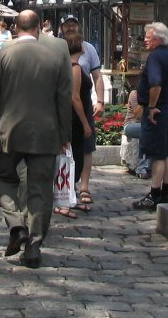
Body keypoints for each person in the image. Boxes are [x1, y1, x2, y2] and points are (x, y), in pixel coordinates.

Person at [0, 10, 72, 269]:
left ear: (16, 28)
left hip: (9, 132)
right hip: (45, 133)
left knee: (4, 179)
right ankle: (34, 246)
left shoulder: (2, 54)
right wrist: (65, 134)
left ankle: (16, 225)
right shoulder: (56, 56)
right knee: (40, 189)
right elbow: (64, 97)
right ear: (39, 27)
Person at [131, 22, 168, 210]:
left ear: (157, 38)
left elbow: (155, 84)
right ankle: (165, 192)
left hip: (156, 111)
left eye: (148, 37)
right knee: (167, 153)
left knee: (157, 155)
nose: (145, 40)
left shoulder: (155, 57)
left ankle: (154, 194)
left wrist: (153, 106)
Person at [60, 15, 104, 209]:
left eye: (73, 24)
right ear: (61, 27)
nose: (70, 27)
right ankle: (66, 190)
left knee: (85, 148)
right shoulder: (57, 48)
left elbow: (97, 76)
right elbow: (73, 95)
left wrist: (101, 101)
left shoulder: (89, 49)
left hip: (84, 107)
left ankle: (82, 187)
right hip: (70, 109)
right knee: (68, 149)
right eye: (67, 24)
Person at [55, 31, 94, 219]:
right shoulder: (75, 68)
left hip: (69, 118)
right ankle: (63, 200)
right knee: (73, 159)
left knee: (68, 160)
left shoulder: (64, 65)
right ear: (80, 47)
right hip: (75, 120)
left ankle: (67, 198)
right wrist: (86, 124)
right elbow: (75, 98)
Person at [119, 72, 150, 178]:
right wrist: (145, 101)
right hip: (131, 125)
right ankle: (141, 168)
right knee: (146, 131)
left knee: (150, 131)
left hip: (146, 125)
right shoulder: (134, 94)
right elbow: (138, 116)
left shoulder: (154, 94)